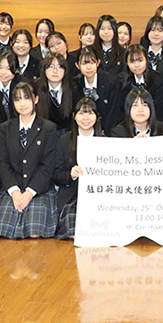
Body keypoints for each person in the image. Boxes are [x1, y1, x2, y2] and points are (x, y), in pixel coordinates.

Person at [0, 82, 58, 239]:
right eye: (17, 99)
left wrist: (30, 192)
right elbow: (3, 163)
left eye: (27, 98)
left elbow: (48, 166)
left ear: (36, 99)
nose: (22, 103)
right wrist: (14, 191)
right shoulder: (5, 128)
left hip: (39, 189)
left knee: (34, 232)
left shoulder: (48, 128)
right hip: (13, 188)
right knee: (3, 230)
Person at [53, 97, 101, 239]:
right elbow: (56, 174)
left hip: (99, 196)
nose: (86, 118)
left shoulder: (106, 142)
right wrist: (70, 175)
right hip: (72, 196)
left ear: (97, 116)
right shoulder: (63, 141)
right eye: (81, 113)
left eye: (90, 113)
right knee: (75, 232)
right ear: (74, 116)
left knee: (102, 231)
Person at [71, 46, 121, 133]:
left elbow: (114, 111)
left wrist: (105, 131)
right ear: (77, 65)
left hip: (106, 130)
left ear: (98, 63)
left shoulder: (111, 82)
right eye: (84, 64)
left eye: (92, 62)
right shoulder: (74, 84)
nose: (89, 67)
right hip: (83, 129)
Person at [118, 44, 163, 124]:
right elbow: (121, 110)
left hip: (155, 124)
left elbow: (160, 110)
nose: (137, 65)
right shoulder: (121, 82)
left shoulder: (158, 80)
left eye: (140, 60)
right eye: (132, 61)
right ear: (127, 63)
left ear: (146, 60)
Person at [33, 53, 72, 134]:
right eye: (51, 67)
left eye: (59, 67)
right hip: (43, 132)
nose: (55, 71)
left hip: (68, 132)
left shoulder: (73, 87)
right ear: (44, 70)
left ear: (65, 70)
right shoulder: (35, 87)